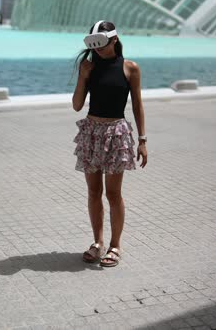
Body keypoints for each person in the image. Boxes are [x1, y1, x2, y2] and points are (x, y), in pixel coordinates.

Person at [72, 20, 147, 268]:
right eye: (94, 46)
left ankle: (115, 245)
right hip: (91, 132)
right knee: (94, 192)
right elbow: (77, 105)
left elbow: (137, 105)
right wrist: (82, 77)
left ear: (114, 40)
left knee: (114, 193)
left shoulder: (130, 68)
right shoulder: (89, 68)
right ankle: (97, 242)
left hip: (117, 132)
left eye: (102, 45)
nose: (98, 51)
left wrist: (142, 140)